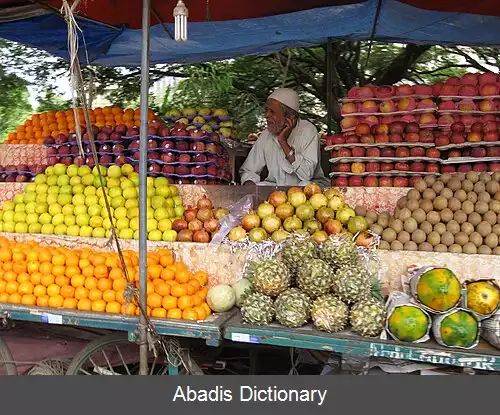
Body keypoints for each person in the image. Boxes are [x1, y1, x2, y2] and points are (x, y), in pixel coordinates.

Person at [239, 88, 329, 187]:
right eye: (266, 110)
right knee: (260, 186)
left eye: (272, 112)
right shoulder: (266, 135)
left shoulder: (308, 131)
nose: (267, 115)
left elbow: (306, 174)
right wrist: (250, 184)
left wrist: (283, 142)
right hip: (276, 189)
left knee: (305, 185)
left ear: (290, 118)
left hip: (307, 188)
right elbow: (248, 170)